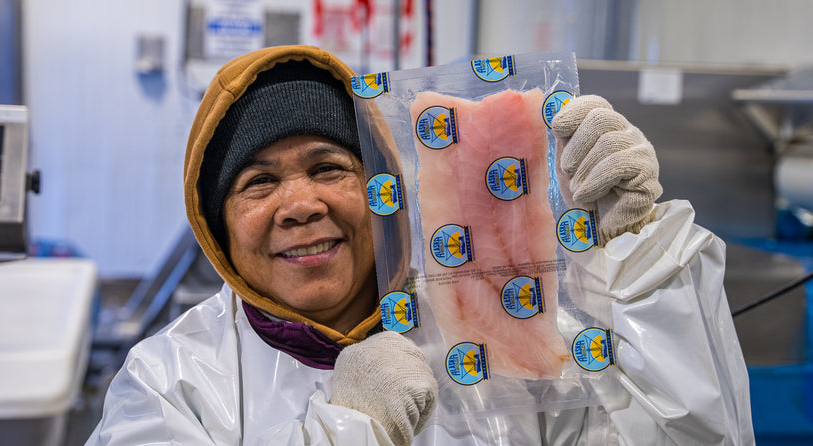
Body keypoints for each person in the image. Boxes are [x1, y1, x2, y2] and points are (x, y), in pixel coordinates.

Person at [86, 45, 754, 445]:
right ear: (219, 226)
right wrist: (352, 428)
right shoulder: (173, 382)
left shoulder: (494, 336)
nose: (301, 205)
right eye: (258, 183)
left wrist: (638, 253)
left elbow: (692, 433)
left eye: (328, 167)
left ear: (384, 193)